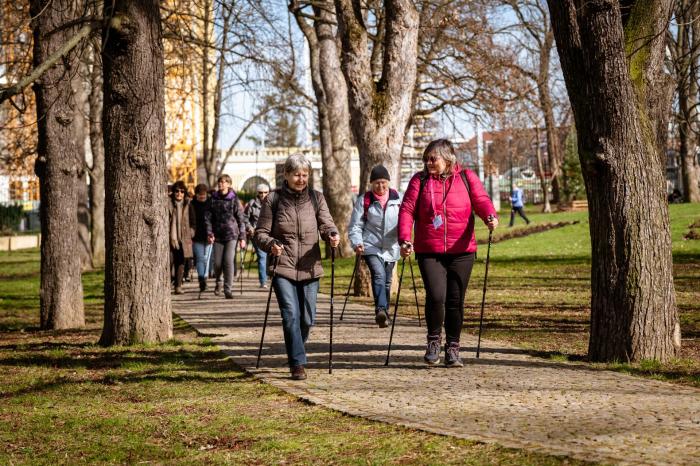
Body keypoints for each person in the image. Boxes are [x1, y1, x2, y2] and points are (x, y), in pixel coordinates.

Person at [398, 139, 498, 367]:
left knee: (455, 301)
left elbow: (481, 200)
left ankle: (453, 348)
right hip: (429, 250)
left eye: (433, 158)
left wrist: (490, 216)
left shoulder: (466, 177)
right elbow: (407, 210)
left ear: (448, 158)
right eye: (426, 159)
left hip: (461, 250)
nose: (428, 163)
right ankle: (434, 341)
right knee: (436, 296)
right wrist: (404, 239)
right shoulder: (419, 180)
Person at [254, 153, 339, 381]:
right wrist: (270, 244)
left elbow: (326, 223)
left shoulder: (316, 198)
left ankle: (295, 349)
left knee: (307, 318)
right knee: (290, 315)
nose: (301, 179)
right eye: (297, 175)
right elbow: (260, 233)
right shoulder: (273, 199)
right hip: (283, 265)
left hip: (310, 267)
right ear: (286, 175)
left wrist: (331, 234)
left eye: (305, 175)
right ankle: (297, 363)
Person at [348, 164, 401, 328]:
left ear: (388, 182)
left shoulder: (398, 199)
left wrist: (406, 240)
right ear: (371, 184)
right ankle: (381, 310)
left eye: (384, 182)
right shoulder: (365, 200)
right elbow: (355, 225)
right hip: (371, 245)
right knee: (378, 275)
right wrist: (357, 242)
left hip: (391, 246)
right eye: (377, 183)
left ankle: (384, 312)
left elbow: (406, 221)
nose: (381, 186)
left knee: (387, 281)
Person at [205, 174, 247, 299]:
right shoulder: (213, 198)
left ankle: (228, 289)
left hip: (231, 235)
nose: (221, 184)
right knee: (217, 263)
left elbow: (241, 219)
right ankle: (219, 281)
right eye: (219, 182)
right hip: (217, 235)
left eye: (223, 182)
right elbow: (207, 217)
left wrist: (243, 237)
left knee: (228, 261)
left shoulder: (234, 199)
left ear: (229, 184)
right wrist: (209, 232)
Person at [168, 180, 195, 295]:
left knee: (180, 263)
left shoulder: (188, 204)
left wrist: (191, 233)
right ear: (173, 192)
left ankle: (178, 286)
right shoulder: (167, 204)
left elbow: (193, 221)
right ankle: (166, 284)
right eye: (177, 191)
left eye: (182, 191)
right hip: (169, 239)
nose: (179, 193)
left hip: (183, 239)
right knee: (168, 262)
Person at [244, 183, 271, 288]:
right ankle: (263, 281)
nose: (263, 194)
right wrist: (250, 228)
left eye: (265, 192)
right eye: (261, 192)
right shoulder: (252, 204)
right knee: (262, 256)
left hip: (270, 234)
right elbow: (245, 218)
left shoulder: (273, 203)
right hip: (256, 234)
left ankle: (272, 277)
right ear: (257, 193)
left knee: (271, 256)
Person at [191, 183, 213, 292]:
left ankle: (205, 277)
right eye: (200, 195)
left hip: (209, 235)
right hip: (196, 236)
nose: (202, 197)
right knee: (200, 258)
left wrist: (212, 234)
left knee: (206, 259)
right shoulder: (192, 204)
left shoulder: (210, 204)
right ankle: (201, 279)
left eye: (204, 195)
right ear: (196, 195)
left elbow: (214, 220)